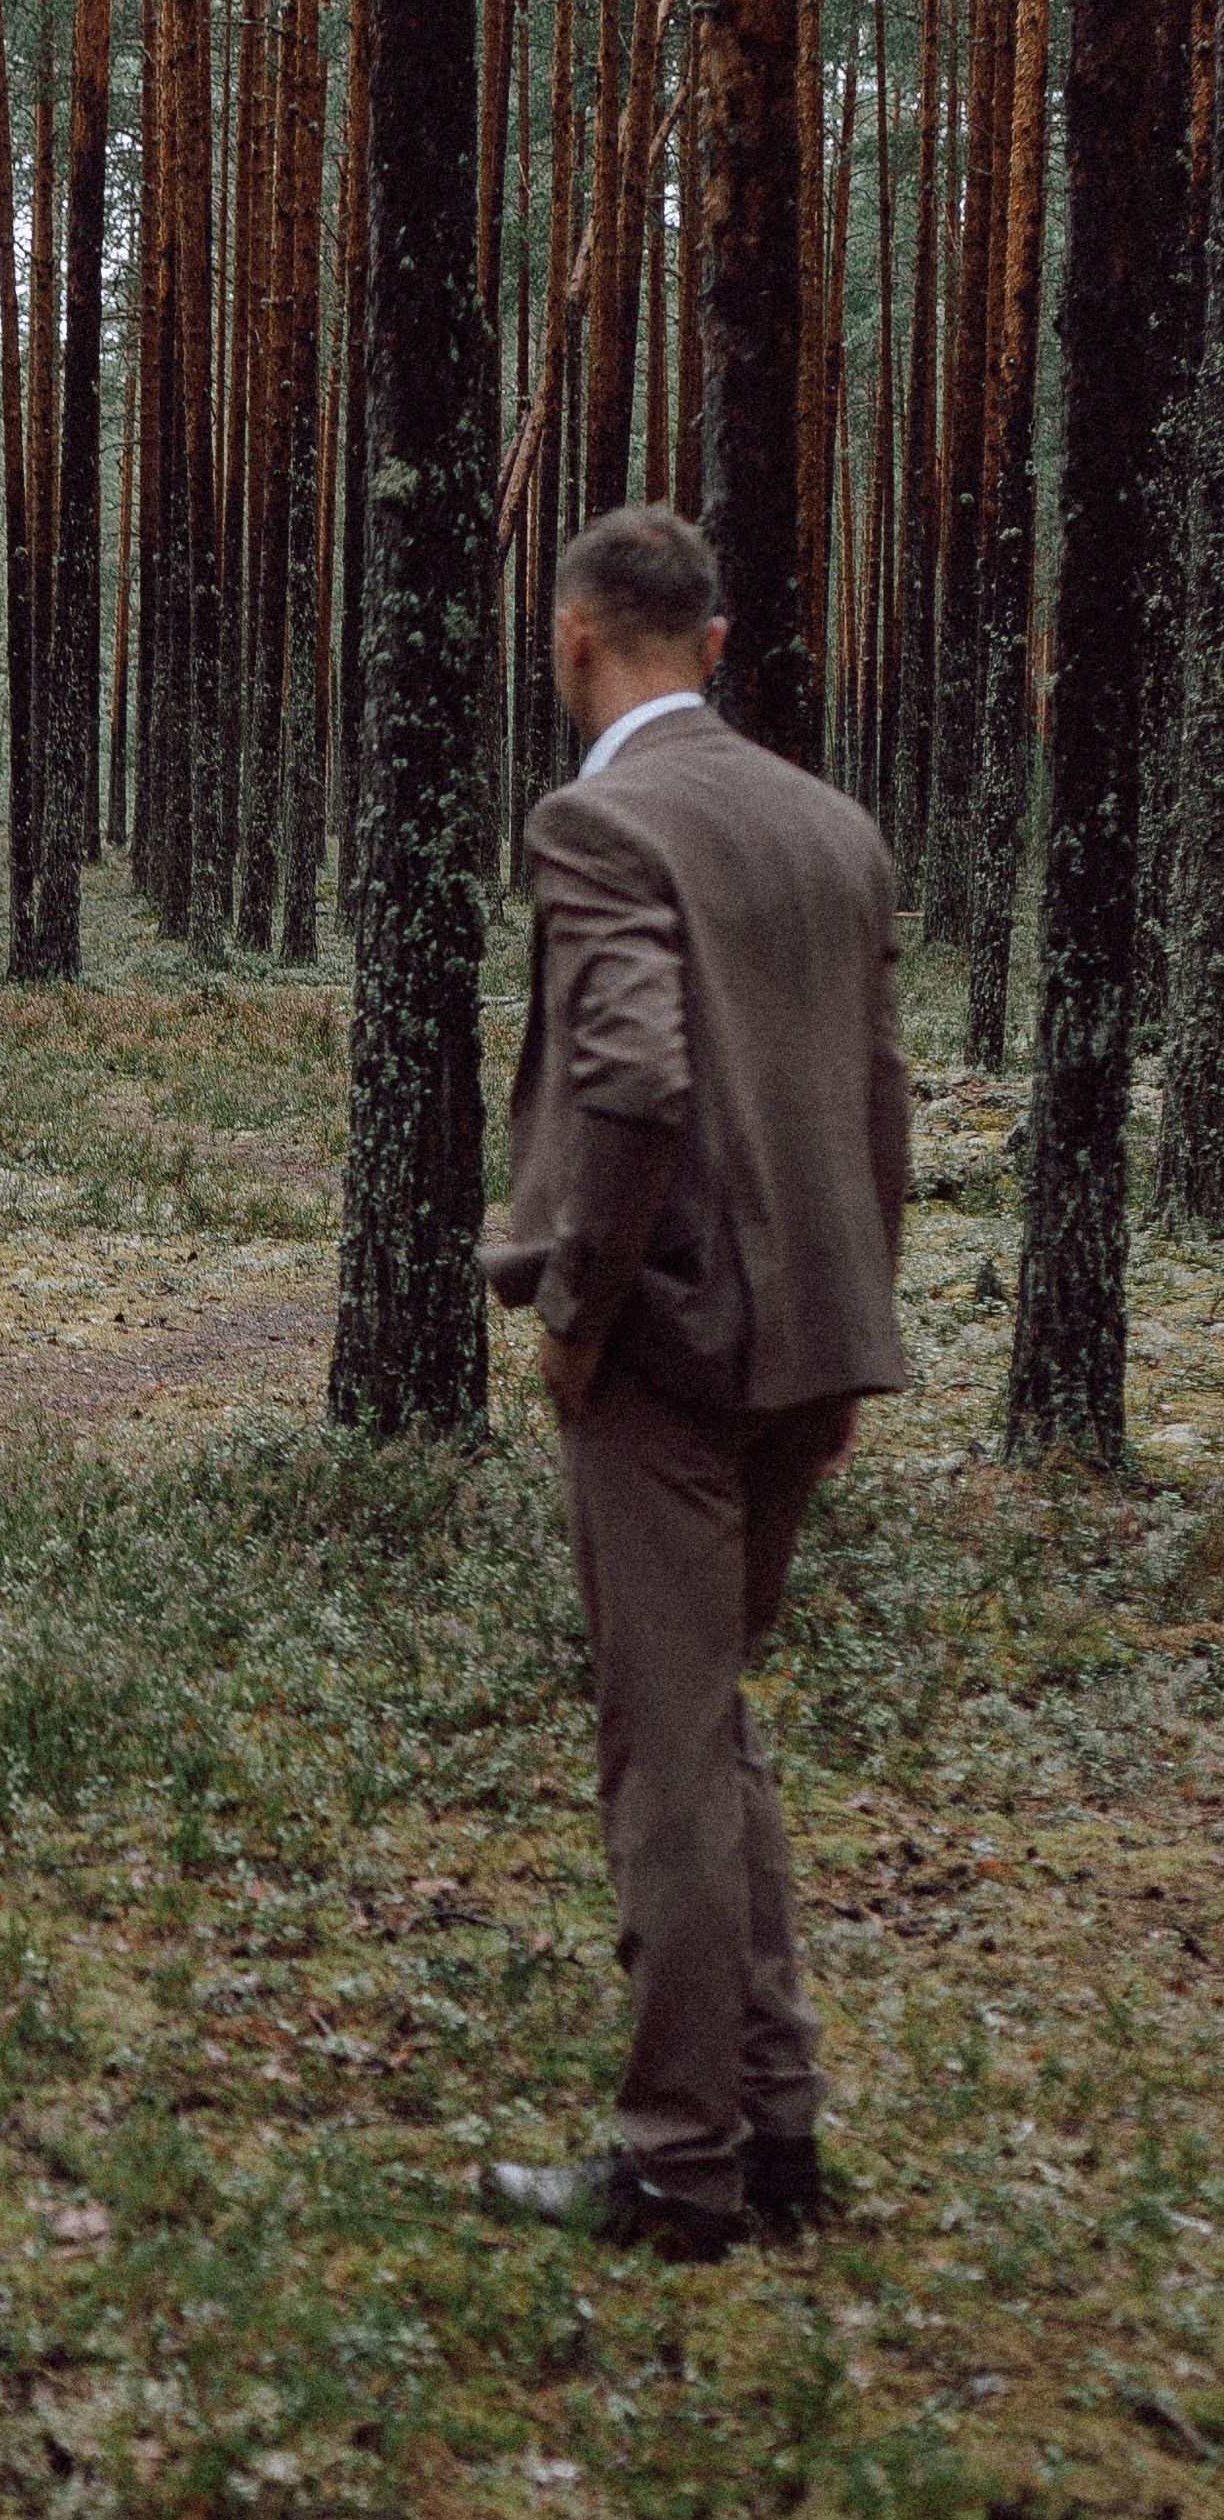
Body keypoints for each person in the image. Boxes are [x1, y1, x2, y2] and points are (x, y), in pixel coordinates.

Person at [480, 510, 909, 2262]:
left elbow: (637, 1082)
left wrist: (579, 1309)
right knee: (715, 1725)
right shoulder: (834, 825)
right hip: (816, 1344)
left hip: (671, 1349)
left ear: (576, 641)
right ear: (711, 647)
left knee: (663, 1755)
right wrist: (854, 1316)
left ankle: (676, 2162)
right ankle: (778, 2117)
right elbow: (880, 1105)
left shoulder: (599, 821)